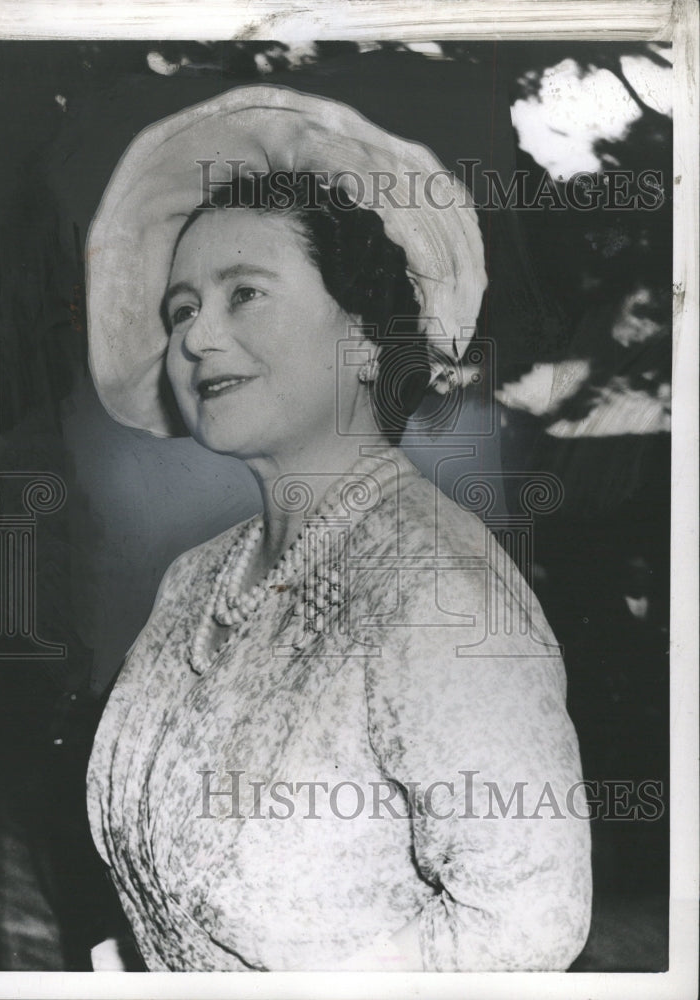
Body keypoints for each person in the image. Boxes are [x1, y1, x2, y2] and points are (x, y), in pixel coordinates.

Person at [85, 84, 591, 972]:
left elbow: (526, 930)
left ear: (362, 337)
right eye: (180, 311)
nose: (197, 337)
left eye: (243, 293)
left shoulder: (438, 597)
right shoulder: (193, 579)